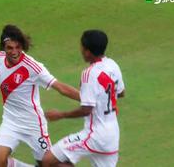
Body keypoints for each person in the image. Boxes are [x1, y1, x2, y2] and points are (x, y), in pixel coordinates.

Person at [0, 24, 80, 167]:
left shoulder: (33, 67)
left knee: (49, 164)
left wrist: (88, 99)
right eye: (10, 48)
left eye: (18, 47)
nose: (14, 52)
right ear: (3, 48)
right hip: (10, 122)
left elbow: (60, 87)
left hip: (33, 124)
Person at [42, 29, 125, 167]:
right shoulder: (112, 65)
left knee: (48, 161)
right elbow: (121, 93)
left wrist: (60, 115)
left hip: (94, 135)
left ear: (87, 51)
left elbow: (86, 110)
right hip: (112, 136)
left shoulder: (89, 73)